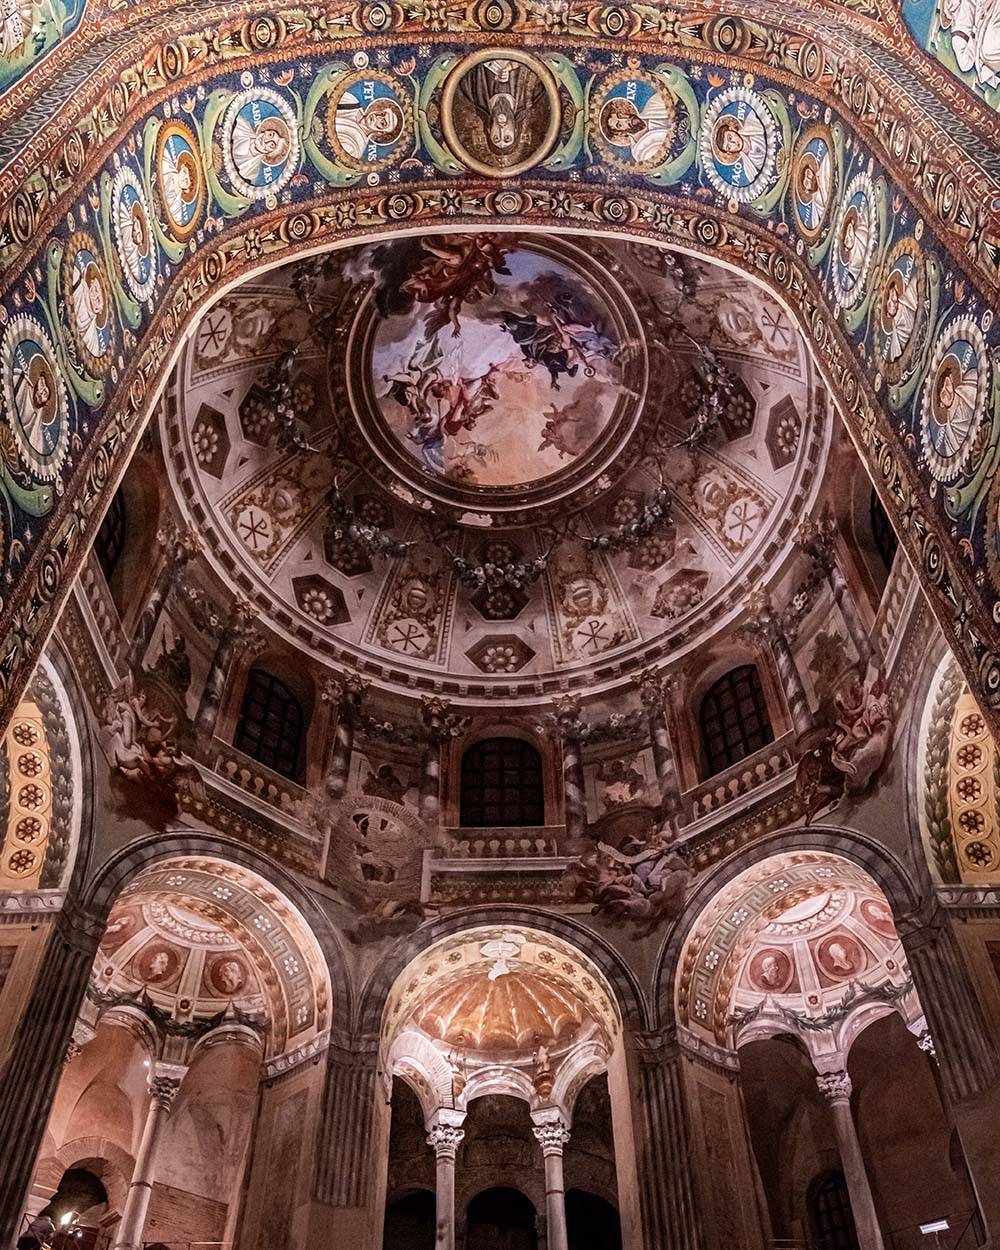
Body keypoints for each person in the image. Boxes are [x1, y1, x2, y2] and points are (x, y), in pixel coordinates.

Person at [457, 57, 544, 158]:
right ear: (516, 130)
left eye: (496, 138)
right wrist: (514, 65)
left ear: (489, 130)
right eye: (507, 137)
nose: (501, 129)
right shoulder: (533, 94)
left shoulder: (470, 91)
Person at [332, 92, 404, 160]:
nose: (378, 117)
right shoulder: (351, 102)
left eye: (382, 123)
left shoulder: (354, 147)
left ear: (380, 133)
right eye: (382, 114)